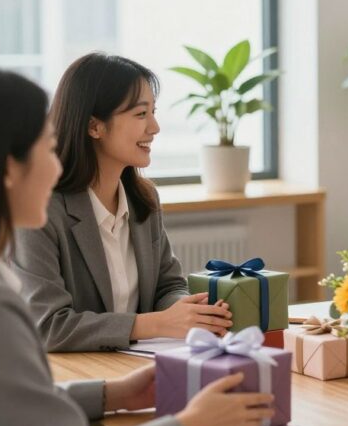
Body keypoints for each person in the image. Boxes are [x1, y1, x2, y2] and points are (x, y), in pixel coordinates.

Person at [0, 65, 272, 426]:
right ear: (8, 169)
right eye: (48, 150)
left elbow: (17, 407)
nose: (56, 167)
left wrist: (116, 394)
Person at [13, 53, 232, 351]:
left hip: (135, 365)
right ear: (94, 126)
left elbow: (168, 286)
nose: (154, 127)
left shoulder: (144, 199)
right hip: (75, 378)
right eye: (141, 114)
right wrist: (156, 323)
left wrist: (191, 312)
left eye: (153, 112)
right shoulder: (41, 210)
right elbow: (48, 326)